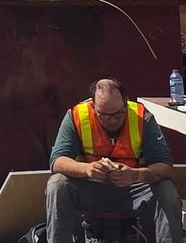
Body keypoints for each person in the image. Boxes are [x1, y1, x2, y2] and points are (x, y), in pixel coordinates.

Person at [47, 78, 182, 243]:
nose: (112, 120)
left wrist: (135, 175)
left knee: (166, 189)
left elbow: (165, 167)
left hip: (133, 190)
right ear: (93, 106)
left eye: (118, 113)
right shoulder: (77, 116)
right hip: (91, 188)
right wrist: (86, 169)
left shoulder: (141, 117)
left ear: (125, 103)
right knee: (57, 184)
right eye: (104, 115)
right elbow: (57, 161)